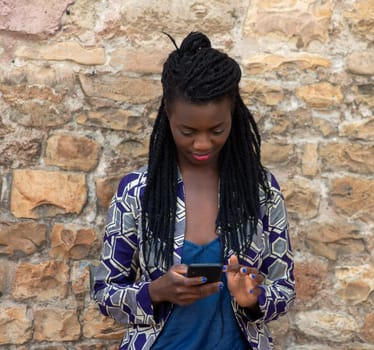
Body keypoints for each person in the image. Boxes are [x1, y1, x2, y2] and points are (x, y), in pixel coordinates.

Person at [92, 31, 295, 350]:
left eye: (217, 130)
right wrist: (156, 291)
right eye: (187, 131)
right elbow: (106, 292)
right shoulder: (137, 193)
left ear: (234, 117)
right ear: (167, 117)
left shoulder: (260, 191)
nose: (202, 144)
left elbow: (284, 289)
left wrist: (254, 298)